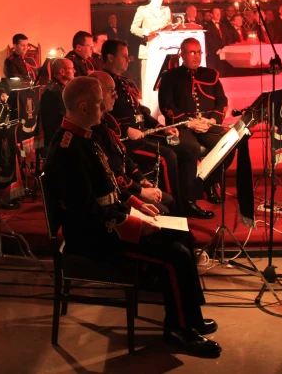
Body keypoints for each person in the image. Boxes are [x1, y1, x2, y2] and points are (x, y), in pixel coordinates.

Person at [43, 77, 221, 358]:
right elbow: (86, 214)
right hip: (93, 237)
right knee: (175, 255)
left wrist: (136, 202)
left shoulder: (83, 135)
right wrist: (136, 225)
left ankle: (190, 318)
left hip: (108, 221)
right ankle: (178, 330)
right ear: (83, 106)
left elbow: (107, 185)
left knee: (182, 236)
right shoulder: (68, 149)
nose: (104, 108)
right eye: (100, 104)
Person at [102, 40, 212, 219]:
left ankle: (188, 200)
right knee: (167, 156)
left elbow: (142, 113)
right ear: (110, 57)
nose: (128, 60)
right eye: (124, 56)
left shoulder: (124, 82)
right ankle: (173, 208)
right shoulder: (101, 82)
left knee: (188, 148)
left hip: (141, 137)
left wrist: (162, 128)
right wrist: (124, 130)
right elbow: (101, 117)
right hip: (126, 143)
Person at [89, 70, 174, 213]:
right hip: (112, 197)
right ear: (97, 93)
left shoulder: (107, 121)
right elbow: (111, 174)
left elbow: (122, 154)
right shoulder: (92, 130)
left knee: (168, 200)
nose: (115, 95)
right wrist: (140, 192)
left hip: (121, 187)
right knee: (162, 209)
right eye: (111, 91)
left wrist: (141, 180)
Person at [159, 38, 229, 207]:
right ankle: (189, 198)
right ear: (182, 55)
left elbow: (222, 101)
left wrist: (212, 120)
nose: (196, 56)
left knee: (227, 145)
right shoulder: (170, 77)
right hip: (183, 125)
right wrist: (188, 123)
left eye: (198, 52)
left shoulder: (211, 75)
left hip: (207, 123)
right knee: (191, 148)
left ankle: (211, 184)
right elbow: (166, 105)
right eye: (192, 52)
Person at [130, 0, 172, 112]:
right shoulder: (143, 10)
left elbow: (169, 27)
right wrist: (145, 33)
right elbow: (133, 28)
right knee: (149, 84)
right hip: (148, 51)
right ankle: (148, 112)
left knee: (163, 82)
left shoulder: (166, 10)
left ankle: (163, 108)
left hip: (163, 51)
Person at [40, 58, 75, 147]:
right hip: (57, 138)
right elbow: (60, 118)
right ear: (62, 72)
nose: (74, 71)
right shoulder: (53, 91)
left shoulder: (61, 87)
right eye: (72, 68)